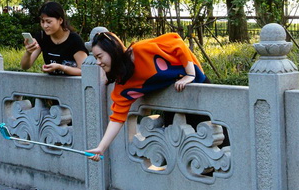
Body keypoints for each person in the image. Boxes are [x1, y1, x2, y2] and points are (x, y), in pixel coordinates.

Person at [86, 31, 208, 160]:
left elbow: (176, 42)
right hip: (174, 101)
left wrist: (190, 74)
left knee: (212, 140)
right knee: (179, 153)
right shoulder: (123, 84)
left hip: (197, 88)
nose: (98, 62)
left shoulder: (140, 50)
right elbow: (117, 118)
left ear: (112, 51)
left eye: (100, 56)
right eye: (96, 58)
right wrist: (101, 148)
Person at [20, 1, 88, 76]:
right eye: (42, 21)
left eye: (49, 22)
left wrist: (60, 67)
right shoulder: (42, 37)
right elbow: (25, 66)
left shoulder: (74, 40)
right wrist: (28, 52)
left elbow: (85, 70)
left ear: (60, 20)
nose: (45, 25)